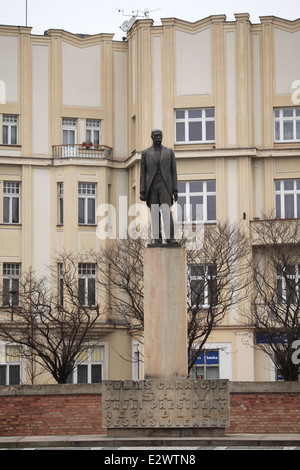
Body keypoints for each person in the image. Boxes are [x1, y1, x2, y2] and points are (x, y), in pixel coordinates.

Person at [140, 129, 178, 244]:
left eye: (160, 136)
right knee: (155, 212)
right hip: (151, 186)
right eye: (156, 136)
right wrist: (142, 191)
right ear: (151, 137)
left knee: (166, 211)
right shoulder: (145, 153)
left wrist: (175, 189)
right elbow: (143, 173)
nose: (158, 138)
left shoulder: (169, 152)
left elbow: (173, 172)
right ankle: (157, 239)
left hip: (165, 186)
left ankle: (170, 238)